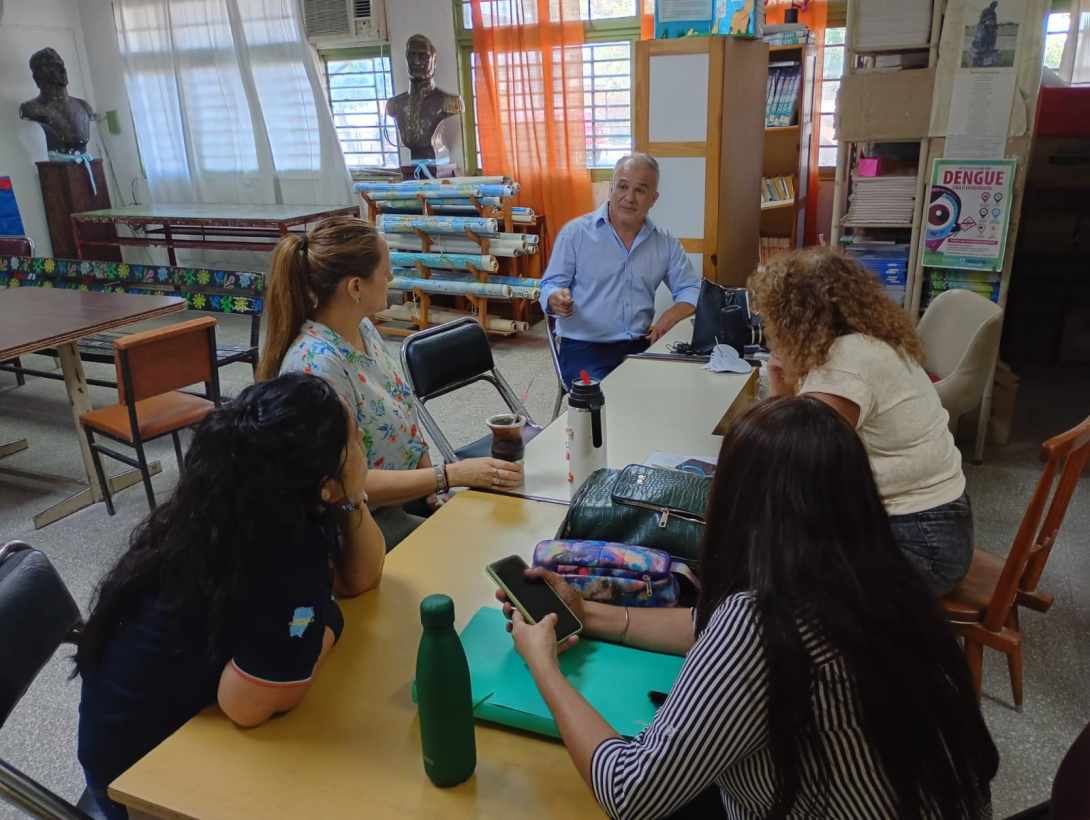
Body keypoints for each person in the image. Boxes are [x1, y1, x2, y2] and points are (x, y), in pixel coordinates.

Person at [498, 397, 998, 820]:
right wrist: (588, 613)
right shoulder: (880, 575)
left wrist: (545, 668)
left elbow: (631, 794)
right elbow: (707, 625)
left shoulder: (759, 622)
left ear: (737, 503)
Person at [75, 373, 386, 819]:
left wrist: (352, 496)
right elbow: (246, 704)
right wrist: (328, 626)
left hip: (146, 740)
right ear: (322, 483)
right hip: (142, 790)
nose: (365, 450)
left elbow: (361, 577)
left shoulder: (237, 503)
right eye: (356, 443)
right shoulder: (288, 553)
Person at [258, 216, 523, 548]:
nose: (392, 279)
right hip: (362, 523)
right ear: (355, 287)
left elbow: (403, 413)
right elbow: (345, 484)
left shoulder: (363, 328)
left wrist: (432, 488)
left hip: (407, 493)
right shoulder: (316, 366)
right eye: (385, 273)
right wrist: (447, 476)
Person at [749, 247, 972, 595]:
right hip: (932, 524)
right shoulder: (870, 342)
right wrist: (783, 383)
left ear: (796, 316)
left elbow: (797, 463)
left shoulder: (846, 363)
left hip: (921, 545)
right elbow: (798, 438)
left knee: (772, 563)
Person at [539, 153, 701, 387]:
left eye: (640, 190)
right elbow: (549, 285)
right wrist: (554, 298)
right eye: (622, 187)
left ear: (653, 199)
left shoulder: (664, 243)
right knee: (613, 400)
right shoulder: (575, 234)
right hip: (584, 348)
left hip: (639, 344)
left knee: (676, 388)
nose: (629, 198)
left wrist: (670, 316)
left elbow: (691, 288)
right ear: (611, 188)